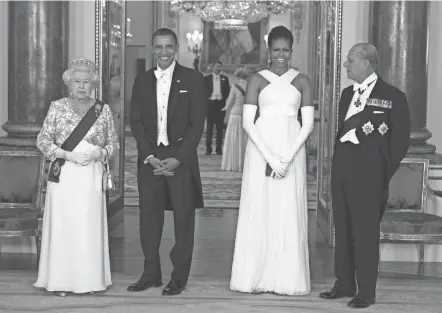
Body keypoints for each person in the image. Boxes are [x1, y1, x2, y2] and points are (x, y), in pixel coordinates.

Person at [319, 43, 410, 309]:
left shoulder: (392, 96)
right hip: (343, 169)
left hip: (370, 174)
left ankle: (366, 291)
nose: (346, 65)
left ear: (366, 63)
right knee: (343, 228)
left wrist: (382, 172)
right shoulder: (347, 94)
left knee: (365, 233)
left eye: (349, 60)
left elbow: (400, 141)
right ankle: (344, 284)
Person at [230, 26, 315, 295]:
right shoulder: (257, 79)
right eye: (276, 49)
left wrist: (287, 159)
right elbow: (247, 123)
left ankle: (288, 278)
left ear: (291, 50)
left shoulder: (302, 80)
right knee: (261, 208)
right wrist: (271, 159)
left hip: (292, 151)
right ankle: (254, 275)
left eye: (285, 50)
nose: (280, 55)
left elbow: (308, 124)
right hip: (260, 151)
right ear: (269, 50)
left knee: (288, 209)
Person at [128, 28, 206, 296]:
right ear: (152, 49)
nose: (164, 51)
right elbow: (135, 122)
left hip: (180, 159)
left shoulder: (193, 79)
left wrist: (178, 158)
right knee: (148, 220)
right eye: (159, 47)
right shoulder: (141, 81)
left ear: (177, 49)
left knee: (183, 221)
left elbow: (197, 125)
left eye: (169, 47)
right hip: (149, 158)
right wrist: (148, 156)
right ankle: (151, 274)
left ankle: (179, 278)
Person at [34, 58, 119, 296]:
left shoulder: (102, 110)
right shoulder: (57, 107)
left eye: (86, 82)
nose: (81, 86)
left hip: (91, 175)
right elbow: (42, 140)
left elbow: (113, 143)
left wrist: (99, 153)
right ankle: (60, 282)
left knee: (87, 226)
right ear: (69, 83)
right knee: (64, 226)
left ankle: (90, 280)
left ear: (93, 83)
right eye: (76, 82)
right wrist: (64, 154)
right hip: (65, 175)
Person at [220, 67, 249, 172]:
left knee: (234, 139)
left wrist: (224, 109)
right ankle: (243, 163)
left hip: (235, 115)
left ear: (238, 76)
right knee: (244, 139)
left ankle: (233, 163)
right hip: (245, 115)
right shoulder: (250, 86)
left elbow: (229, 102)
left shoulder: (235, 87)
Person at [204, 61, 230, 155]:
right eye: (217, 66)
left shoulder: (225, 78)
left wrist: (222, 98)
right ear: (213, 67)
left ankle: (219, 149)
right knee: (209, 128)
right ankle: (208, 148)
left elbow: (227, 91)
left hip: (220, 104)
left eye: (220, 66)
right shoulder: (206, 79)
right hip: (210, 104)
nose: (219, 68)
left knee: (219, 128)